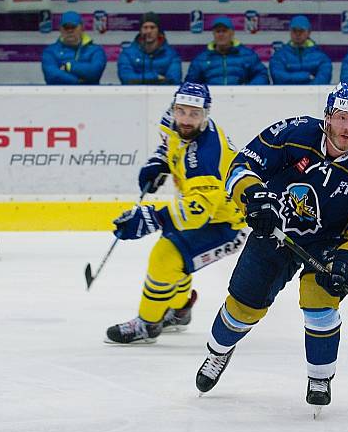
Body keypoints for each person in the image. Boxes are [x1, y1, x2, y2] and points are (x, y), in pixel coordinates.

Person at [194, 83, 348, 410]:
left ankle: (320, 376)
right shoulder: (295, 132)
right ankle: (217, 352)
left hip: (330, 244)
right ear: (328, 116)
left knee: (320, 303)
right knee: (243, 308)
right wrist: (253, 197)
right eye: (342, 117)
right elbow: (244, 166)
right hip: (275, 228)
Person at [105, 82, 247, 344]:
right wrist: (160, 163)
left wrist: (150, 217)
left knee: (165, 257)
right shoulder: (173, 124)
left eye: (194, 114)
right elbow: (168, 144)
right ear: (173, 109)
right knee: (174, 256)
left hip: (228, 224)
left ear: (206, 115)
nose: (186, 120)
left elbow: (197, 212)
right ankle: (180, 311)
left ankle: (147, 325)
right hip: (201, 208)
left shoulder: (206, 156)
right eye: (181, 111)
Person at [184, 16, 269, 85]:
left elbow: (262, 75)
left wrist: (248, 90)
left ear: (232, 33)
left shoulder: (247, 55)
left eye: (224, 31)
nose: (221, 35)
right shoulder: (202, 59)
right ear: (213, 34)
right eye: (218, 31)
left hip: (242, 101)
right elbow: (191, 83)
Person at [42, 11, 106, 85]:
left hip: (88, 95)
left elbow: (94, 72)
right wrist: (77, 81)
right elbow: (52, 76)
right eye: (66, 27)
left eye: (73, 27)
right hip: (59, 95)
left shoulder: (96, 51)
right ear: (60, 29)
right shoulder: (50, 52)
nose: (70, 31)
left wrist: (68, 66)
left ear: (82, 28)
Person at [117, 12, 181, 85]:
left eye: (152, 27)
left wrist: (139, 80)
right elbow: (126, 79)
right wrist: (155, 77)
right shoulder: (127, 54)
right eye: (145, 27)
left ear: (158, 30)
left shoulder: (171, 55)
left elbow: (174, 81)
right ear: (140, 30)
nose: (148, 31)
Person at [269, 15, 331, 85]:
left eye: (301, 31)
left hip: (312, 95)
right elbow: (279, 78)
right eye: (294, 30)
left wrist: (308, 91)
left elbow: (323, 81)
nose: (298, 34)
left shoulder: (321, 58)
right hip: (286, 94)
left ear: (309, 32)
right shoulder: (279, 56)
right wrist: (307, 77)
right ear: (290, 32)